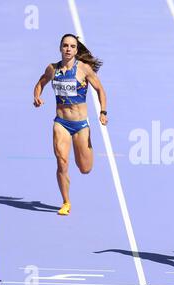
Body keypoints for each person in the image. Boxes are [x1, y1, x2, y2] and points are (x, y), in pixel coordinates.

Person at [33, 34, 108, 215]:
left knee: (85, 168)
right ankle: (66, 202)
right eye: (65, 45)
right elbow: (41, 82)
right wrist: (36, 96)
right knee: (62, 162)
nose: (68, 49)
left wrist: (103, 112)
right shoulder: (52, 69)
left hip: (81, 125)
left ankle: (85, 148)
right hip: (61, 123)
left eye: (72, 46)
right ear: (60, 48)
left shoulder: (84, 69)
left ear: (76, 50)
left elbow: (100, 89)